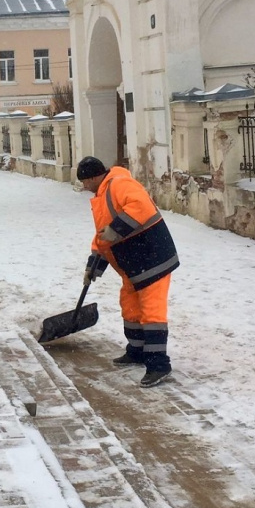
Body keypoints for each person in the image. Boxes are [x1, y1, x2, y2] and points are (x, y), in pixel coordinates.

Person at [77, 156, 180, 387]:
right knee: (130, 306)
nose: (84, 187)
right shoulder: (102, 196)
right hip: (133, 265)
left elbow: (141, 206)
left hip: (153, 260)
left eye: (85, 181)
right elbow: (103, 237)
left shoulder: (119, 183)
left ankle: (158, 365)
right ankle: (137, 351)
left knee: (151, 312)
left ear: (94, 177)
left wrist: (116, 230)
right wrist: (93, 267)